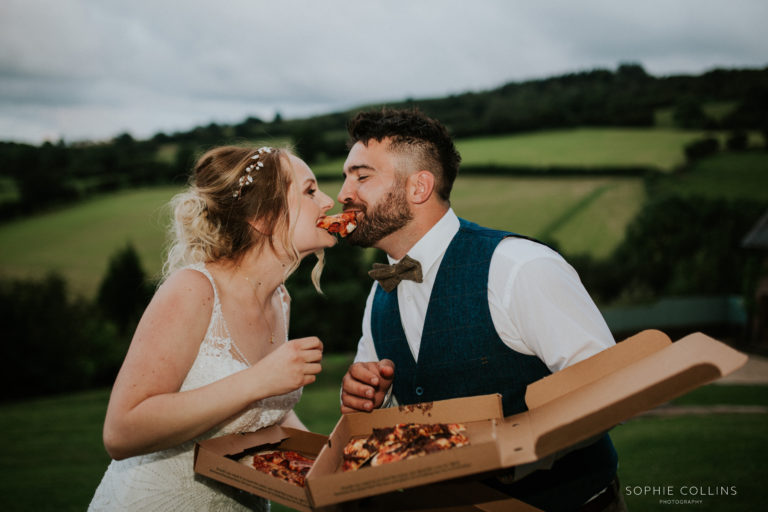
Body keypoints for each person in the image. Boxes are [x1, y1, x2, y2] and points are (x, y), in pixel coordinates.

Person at [338, 108, 625, 512]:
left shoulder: (520, 268)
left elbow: (611, 390)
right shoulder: (379, 294)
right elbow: (389, 413)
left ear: (419, 186)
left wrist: (522, 452)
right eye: (347, 176)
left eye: (361, 176)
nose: (343, 194)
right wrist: (371, 398)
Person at [89, 145, 335, 511]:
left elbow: (270, 412)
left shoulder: (280, 300)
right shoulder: (193, 290)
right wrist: (258, 380)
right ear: (263, 218)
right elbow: (121, 432)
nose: (329, 201)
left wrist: (337, 469)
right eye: (310, 191)